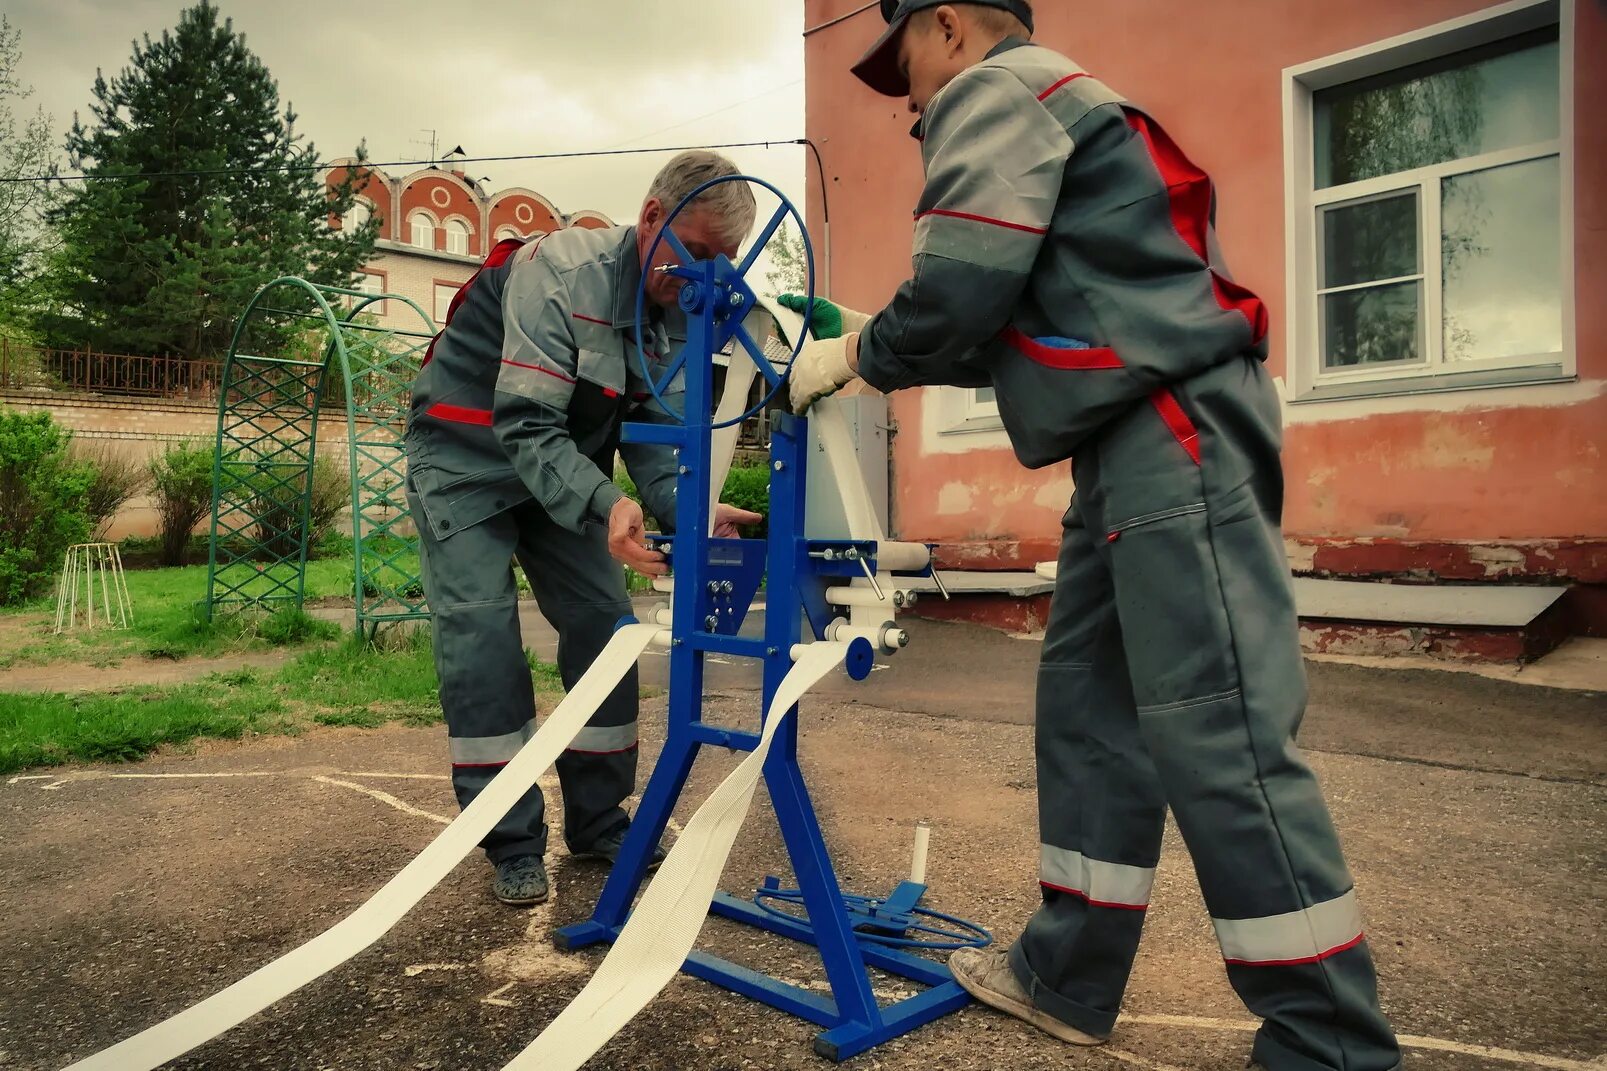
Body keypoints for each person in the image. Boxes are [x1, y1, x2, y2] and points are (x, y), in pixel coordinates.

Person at [783, 4, 1402, 1068]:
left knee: (1218, 731)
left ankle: (1327, 1042)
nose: (912, 106)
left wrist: (863, 358)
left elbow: (962, 284)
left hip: (1166, 429)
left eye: (908, 75)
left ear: (947, 27)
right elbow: (1009, 317)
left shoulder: (995, 89)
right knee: (1089, 714)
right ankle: (1064, 975)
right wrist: (877, 338)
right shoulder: (1052, 106)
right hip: (1128, 442)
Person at [406, 151, 762, 907]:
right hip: (466, 455)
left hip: (563, 466)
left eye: (721, 261)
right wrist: (609, 505)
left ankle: (600, 822)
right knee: (482, 633)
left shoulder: (676, 310)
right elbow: (527, 422)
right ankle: (509, 839)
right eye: (694, 253)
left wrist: (687, 512)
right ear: (651, 216)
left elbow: (654, 439)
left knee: (605, 623)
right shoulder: (556, 274)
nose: (702, 274)